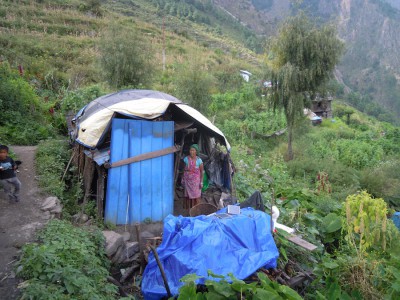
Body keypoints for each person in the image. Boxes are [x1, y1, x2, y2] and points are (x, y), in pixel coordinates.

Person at [182, 144, 204, 209]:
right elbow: (183, 169)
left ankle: (195, 210)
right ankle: (189, 210)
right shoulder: (186, 159)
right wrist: (183, 178)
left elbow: (202, 172)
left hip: (196, 183)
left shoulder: (199, 160)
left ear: (196, 151)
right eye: (190, 150)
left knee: (196, 196)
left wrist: (201, 182)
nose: (191, 152)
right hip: (187, 181)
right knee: (188, 196)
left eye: (193, 150)